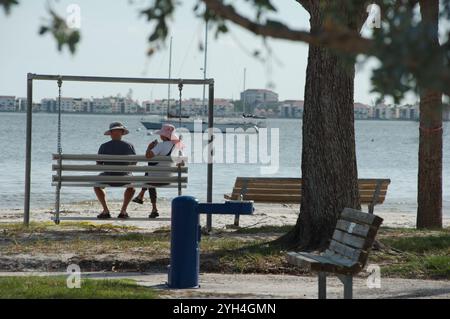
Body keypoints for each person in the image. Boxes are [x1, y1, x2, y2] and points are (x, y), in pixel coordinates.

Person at [132, 124, 183, 218]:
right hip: (169, 179)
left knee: (150, 170)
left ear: (164, 136)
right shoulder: (177, 147)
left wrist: (150, 147)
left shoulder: (160, 145)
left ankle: (152, 207)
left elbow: (148, 156)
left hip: (155, 179)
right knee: (151, 171)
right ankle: (141, 196)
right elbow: (181, 164)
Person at [95, 122, 136, 219]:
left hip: (108, 177)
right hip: (124, 177)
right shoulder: (129, 146)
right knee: (132, 187)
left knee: (97, 186)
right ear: (122, 133)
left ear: (110, 133)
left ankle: (105, 210)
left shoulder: (104, 146)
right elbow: (134, 163)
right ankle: (123, 211)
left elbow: (99, 164)